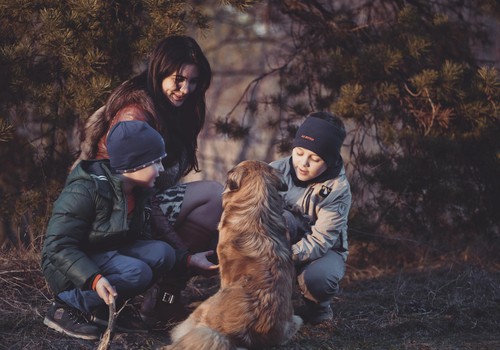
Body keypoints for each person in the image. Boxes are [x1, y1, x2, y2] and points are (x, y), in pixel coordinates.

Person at [72, 35, 223, 323]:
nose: (185, 89)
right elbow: (133, 195)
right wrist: (182, 252)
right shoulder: (135, 114)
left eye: (192, 82)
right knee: (213, 196)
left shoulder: (178, 108)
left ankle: (164, 300)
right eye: (178, 79)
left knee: (214, 199)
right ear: (159, 71)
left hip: (144, 204)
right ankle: (153, 296)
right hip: (113, 214)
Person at [42, 121, 217, 340]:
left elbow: (143, 240)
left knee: (164, 253)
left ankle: (103, 310)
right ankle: (64, 307)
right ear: (133, 165)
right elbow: (57, 246)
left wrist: (188, 260)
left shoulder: (136, 191)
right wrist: (94, 279)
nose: (161, 169)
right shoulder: (85, 189)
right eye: (155, 162)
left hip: (103, 256)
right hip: (67, 271)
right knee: (137, 272)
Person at [270, 111, 351, 325]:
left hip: (322, 252)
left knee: (319, 279)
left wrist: (282, 257)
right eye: (299, 152)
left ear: (330, 160)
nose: (303, 163)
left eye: (315, 158)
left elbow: (320, 241)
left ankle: (318, 307)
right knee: (283, 218)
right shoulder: (274, 171)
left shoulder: (338, 190)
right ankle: (270, 302)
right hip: (279, 243)